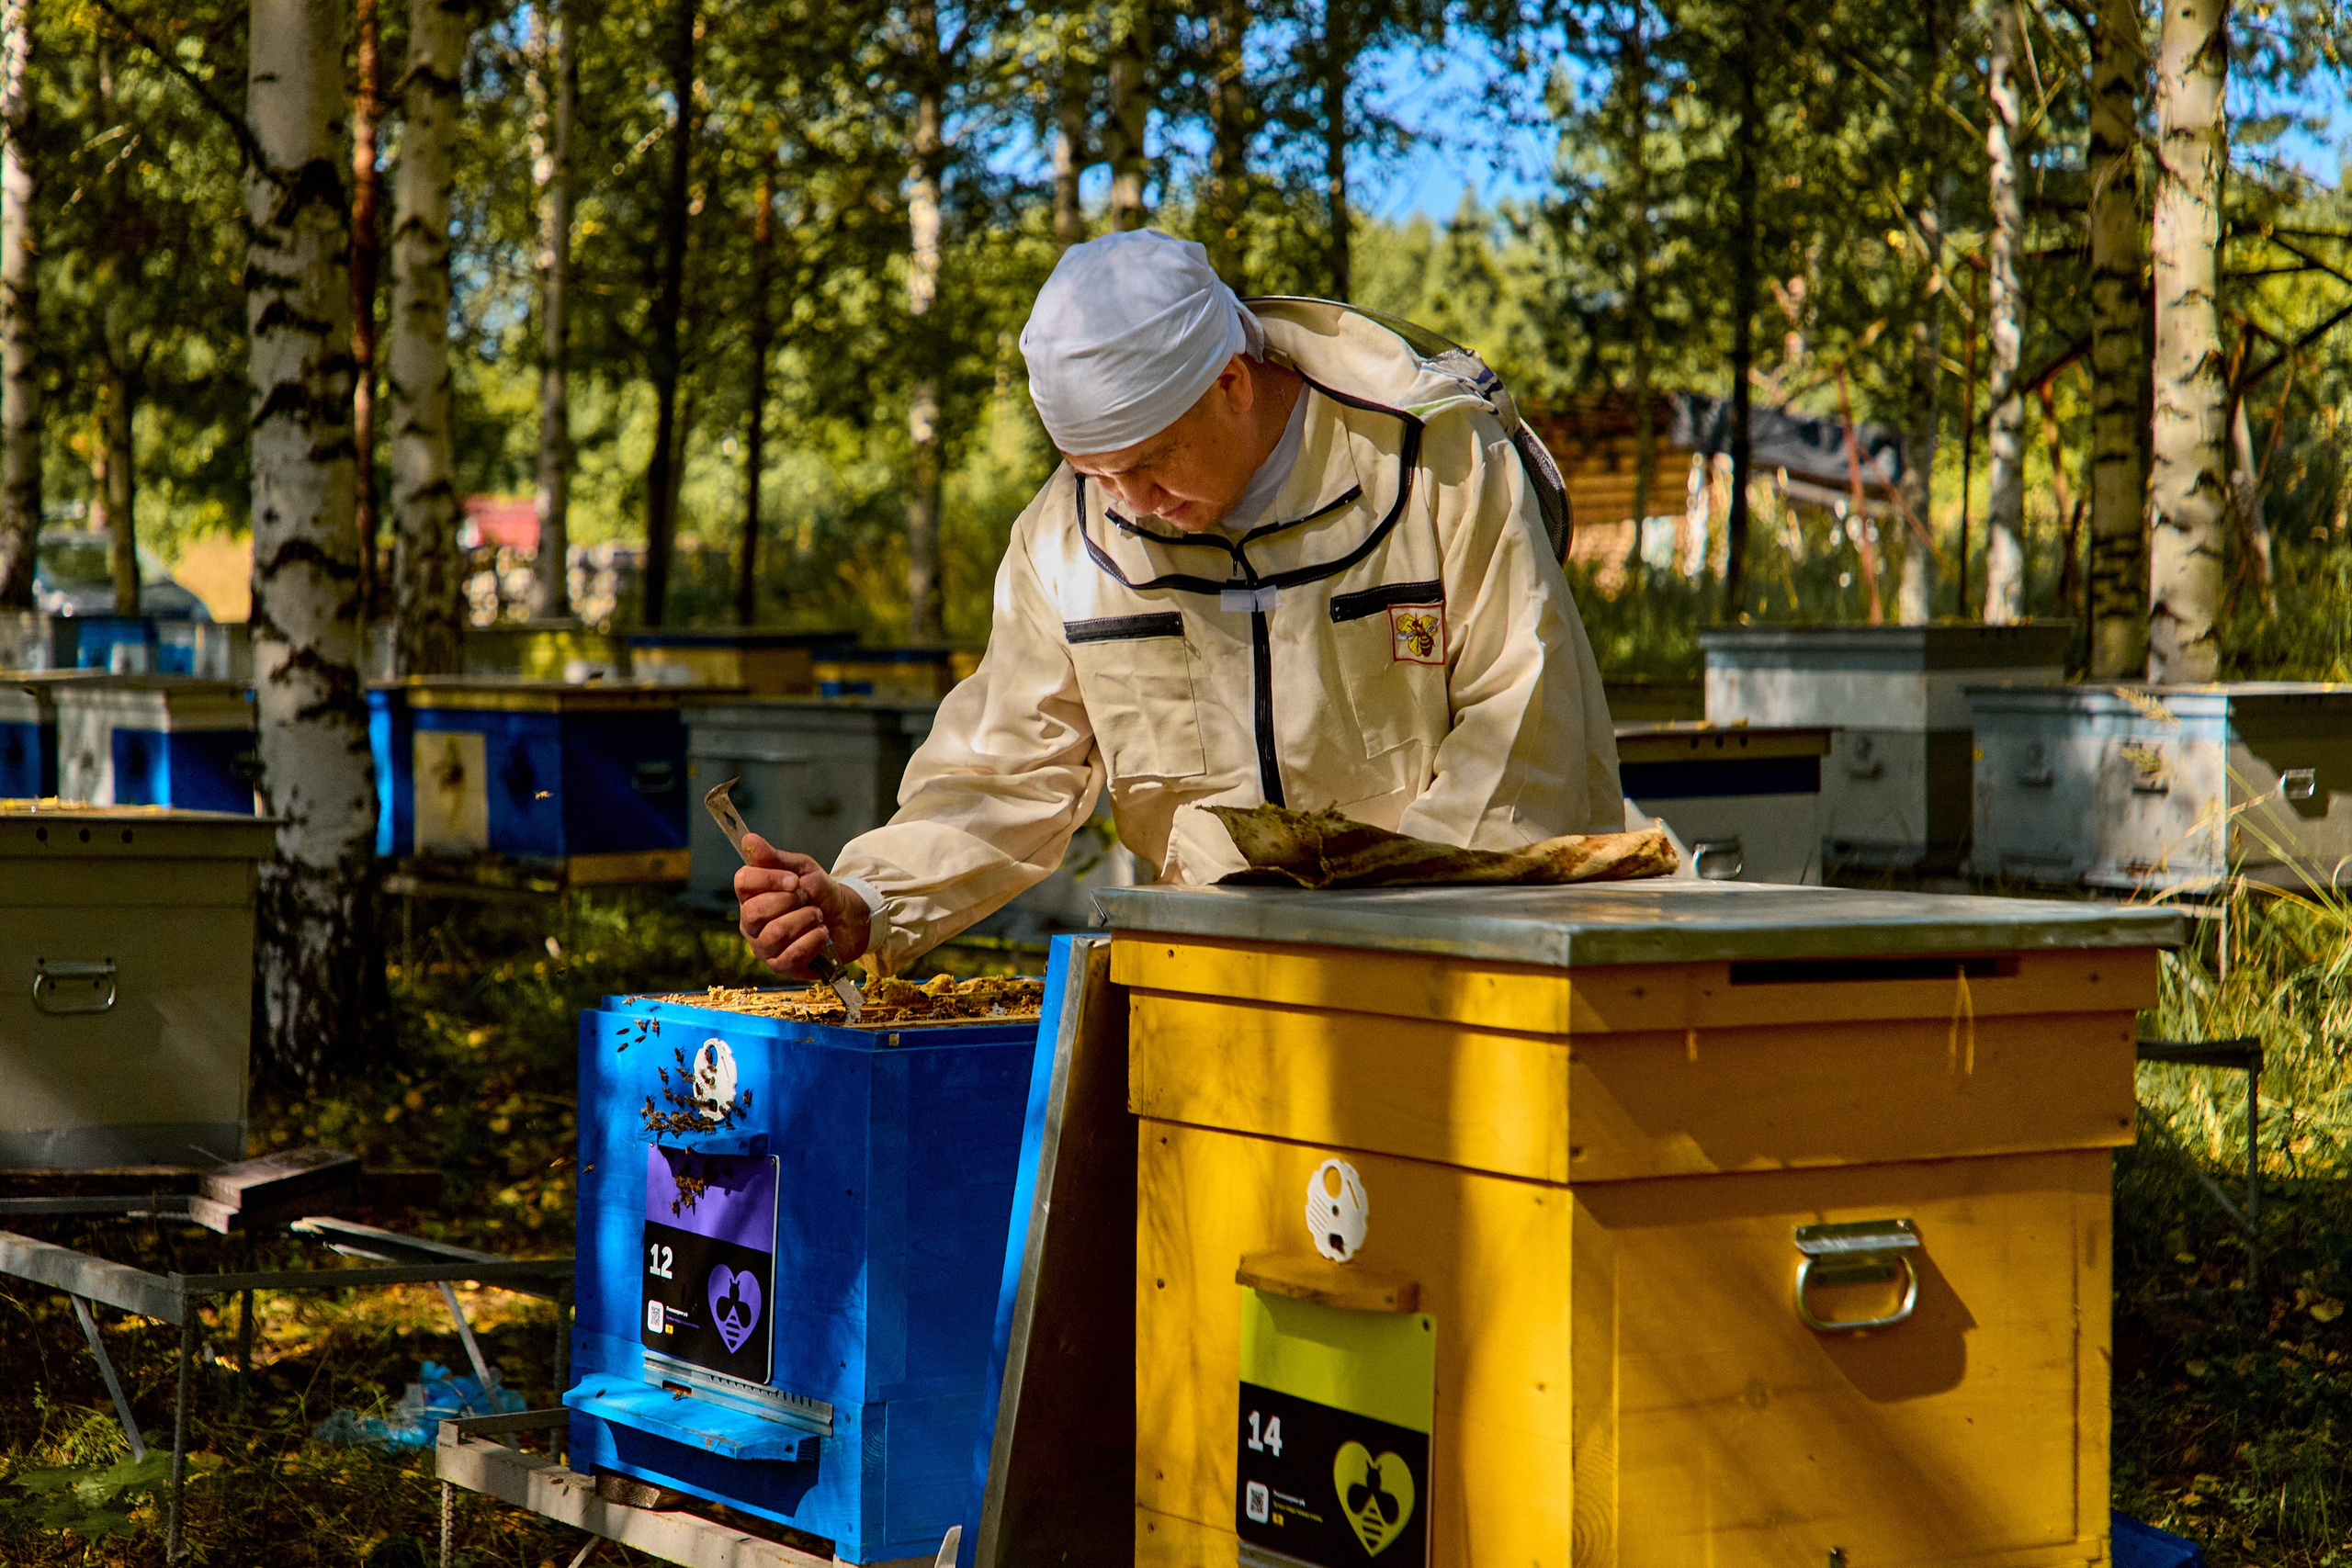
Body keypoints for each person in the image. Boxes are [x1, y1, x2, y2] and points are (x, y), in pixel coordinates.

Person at [737, 230, 1621, 979]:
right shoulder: (1064, 537)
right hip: (1206, 983)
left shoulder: (1436, 462)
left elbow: (1525, 729)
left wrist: (1386, 933)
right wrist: (868, 898)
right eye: (1098, 473)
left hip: (1453, 973)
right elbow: (1005, 767)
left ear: (1233, 382)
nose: (1129, 500)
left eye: (1153, 460)